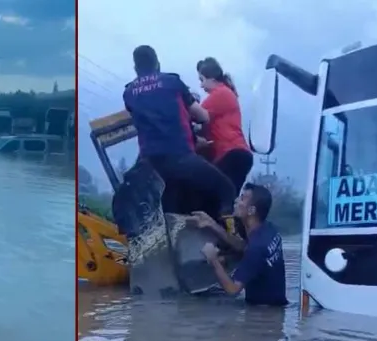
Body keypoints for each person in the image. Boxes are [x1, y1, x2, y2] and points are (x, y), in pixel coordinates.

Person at [123, 45, 237, 219]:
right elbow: (202, 117)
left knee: (170, 211)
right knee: (226, 189)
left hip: (151, 165)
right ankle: (227, 236)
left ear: (135, 68)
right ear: (157, 64)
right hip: (181, 157)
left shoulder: (129, 93)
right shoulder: (172, 82)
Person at [193, 183, 288, 306]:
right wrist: (212, 224)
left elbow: (233, 290)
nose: (237, 201)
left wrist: (213, 259)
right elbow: (244, 247)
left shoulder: (257, 247)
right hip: (276, 308)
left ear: (251, 210)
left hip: (262, 314)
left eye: (242, 198)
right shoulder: (268, 230)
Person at [197, 57, 253, 193]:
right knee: (226, 198)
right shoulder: (227, 93)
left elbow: (194, 114)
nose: (201, 85)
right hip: (237, 153)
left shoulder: (220, 94)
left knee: (216, 197)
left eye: (202, 80)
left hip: (231, 153)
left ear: (211, 79)